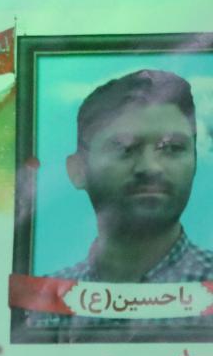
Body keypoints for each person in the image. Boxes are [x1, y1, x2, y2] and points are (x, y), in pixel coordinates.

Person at [28, 70, 213, 334]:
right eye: (124, 148)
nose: (150, 167)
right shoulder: (42, 304)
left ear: (195, 161)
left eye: (172, 148)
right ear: (77, 170)